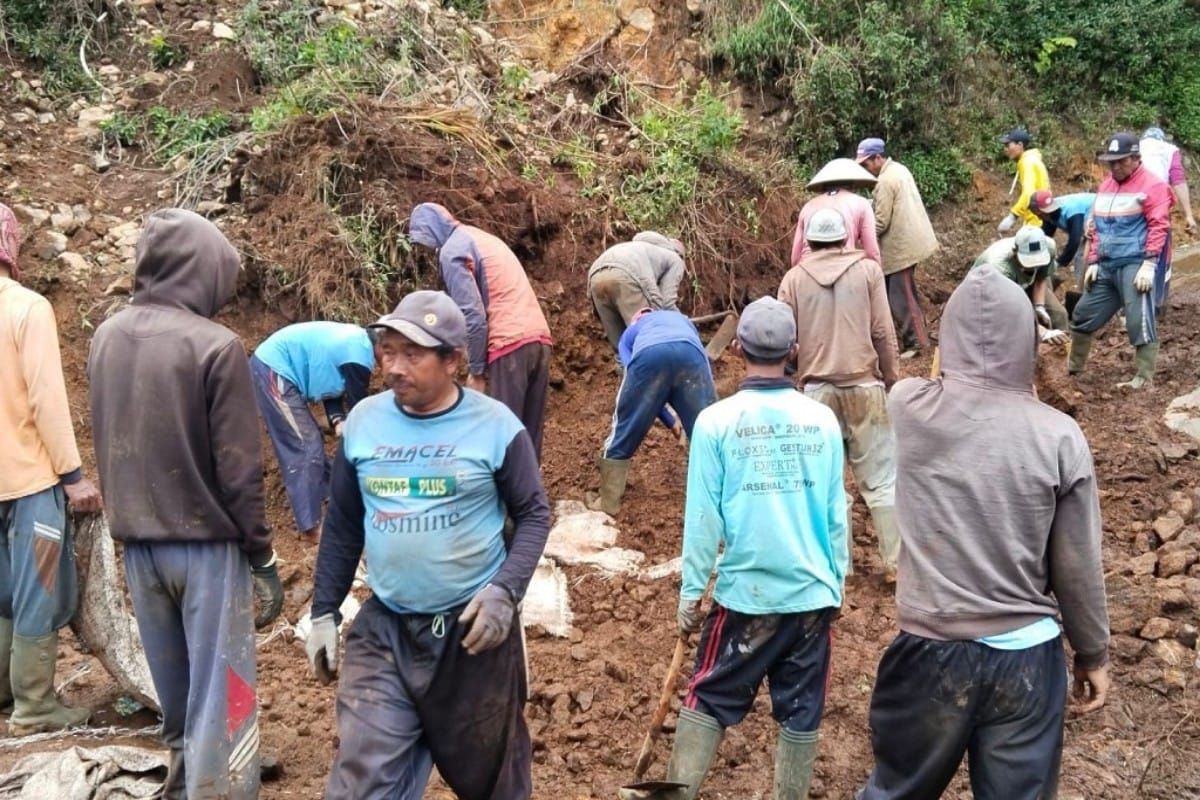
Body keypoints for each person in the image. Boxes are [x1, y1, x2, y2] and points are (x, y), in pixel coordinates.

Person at [857, 265, 1110, 800]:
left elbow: (921, 377)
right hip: (1028, 661)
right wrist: (1092, 653)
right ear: (1030, 340)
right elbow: (1077, 563)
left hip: (930, 651)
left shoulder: (910, 407)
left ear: (948, 340)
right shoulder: (1061, 436)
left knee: (896, 791)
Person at [306, 290, 551, 800]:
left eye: (411, 355)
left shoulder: (497, 428)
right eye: (388, 352)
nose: (394, 367)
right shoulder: (365, 425)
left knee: (494, 782)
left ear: (453, 361)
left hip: (470, 637)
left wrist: (505, 592)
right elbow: (345, 524)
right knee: (362, 777)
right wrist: (324, 611)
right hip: (387, 631)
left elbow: (533, 515)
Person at [88, 209, 284, 799]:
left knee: (176, 691)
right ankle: (220, 788)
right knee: (220, 692)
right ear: (203, 273)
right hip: (206, 550)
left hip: (139, 550)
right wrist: (262, 556)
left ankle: (180, 783)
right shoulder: (216, 346)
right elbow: (239, 471)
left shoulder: (106, 337)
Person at [656, 297, 847, 800]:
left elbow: (702, 521)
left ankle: (676, 793)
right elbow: (835, 513)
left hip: (747, 598)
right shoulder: (821, 420)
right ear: (795, 351)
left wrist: (690, 597)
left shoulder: (716, 423)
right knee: (802, 708)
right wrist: (837, 582)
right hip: (811, 595)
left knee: (706, 694)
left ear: (737, 347)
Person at [0, 202, 102, 735]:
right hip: (31, 481)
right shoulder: (27, 308)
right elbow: (45, 399)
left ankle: (3, 692)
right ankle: (35, 705)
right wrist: (72, 474)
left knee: (1, 592)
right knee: (38, 585)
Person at [779, 208, 901, 581]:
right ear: (847, 238)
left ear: (810, 242)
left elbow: (785, 340)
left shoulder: (794, 278)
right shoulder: (868, 271)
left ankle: (839, 566)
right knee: (881, 481)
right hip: (865, 385)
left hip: (816, 394)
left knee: (829, 482)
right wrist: (892, 378)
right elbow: (882, 330)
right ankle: (895, 564)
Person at [408, 202, 554, 460]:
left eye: (426, 242)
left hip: (508, 344)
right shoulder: (480, 237)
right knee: (527, 437)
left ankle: (497, 500)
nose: (429, 250)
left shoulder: (452, 250)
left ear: (432, 231)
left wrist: (476, 371)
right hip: (539, 338)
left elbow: (473, 316)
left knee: (500, 437)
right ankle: (530, 499)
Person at [1070, 132, 1174, 389]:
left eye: (1121, 161)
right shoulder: (1106, 186)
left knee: (1138, 318)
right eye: (1111, 162)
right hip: (1106, 263)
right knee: (1083, 313)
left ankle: (1143, 376)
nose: (1115, 167)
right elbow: (1096, 226)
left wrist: (1149, 263)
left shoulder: (1153, 185)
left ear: (1136, 158)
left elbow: (1159, 226)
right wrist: (1093, 260)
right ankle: (1073, 369)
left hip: (1134, 263)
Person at [250, 321, 375, 537]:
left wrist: (338, 420)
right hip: (274, 368)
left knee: (311, 440)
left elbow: (332, 384)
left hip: (276, 363)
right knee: (305, 444)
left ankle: (335, 502)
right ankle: (312, 527)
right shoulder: (361, 354)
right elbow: (360, 411)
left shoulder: (353, 343)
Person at [594, 308, 716, 516]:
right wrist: (672, 420)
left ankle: (608, 502)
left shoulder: (630, 334)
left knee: (625, 427)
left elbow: (642, 388)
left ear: (636, 320)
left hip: (650, 354)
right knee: (709, 429)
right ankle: (715, 500)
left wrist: (666, 416)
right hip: (691, 353)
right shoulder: (683, 320)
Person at [856, 138, 939, 357]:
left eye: (866, 164)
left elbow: (880, 222)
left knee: (902, 297)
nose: (865, 169)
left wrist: (860, 240)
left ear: (877, 158)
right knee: (903, 293)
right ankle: (913, 338)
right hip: (909, 241)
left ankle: (917, 343)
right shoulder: (899, 170)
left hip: (901, 247)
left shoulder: (885, 181)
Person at [587, 232, 686, 351]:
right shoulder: (674, 258)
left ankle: (626, 368)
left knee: (621, 348)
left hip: (594, 276)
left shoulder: (637, 248)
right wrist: (685, 325)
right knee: (647, 340)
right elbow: (667, 303)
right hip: (627, 276)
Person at [971, 225, 1070, 340]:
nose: (1034, 267)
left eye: (1037, 262)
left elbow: (1040, 278)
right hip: (988, 293)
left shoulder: (1049, 248)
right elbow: (1007, 311)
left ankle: (1064, 351)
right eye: (1029, 262)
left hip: (1025, 283)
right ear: (1015, 252)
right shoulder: (998, 266)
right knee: (1009, 331)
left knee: (1058, 315)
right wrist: (1041, 331)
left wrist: (1039, 307)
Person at [1140, 127, 1197, 314]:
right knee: (1161, 253)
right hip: (1158, 203)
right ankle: (1157, 303)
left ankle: (1130, 305)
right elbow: (1178, 180)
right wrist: (1188, 215)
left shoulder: (1135, 147)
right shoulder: (1169, 149)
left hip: (1131, 205)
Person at [791, 158, 881, 266]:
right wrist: (876, 275)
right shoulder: (861, 204)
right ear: (852, 185)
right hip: (843, 268)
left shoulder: (808, 207)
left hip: (808, 267)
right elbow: (872, 252)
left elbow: (795, 258)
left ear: (824, 185)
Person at [1031, 189, 1095, 286]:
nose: (1039, 216)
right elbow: (1044, 237)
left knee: (1082, 257)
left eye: (1040, 213)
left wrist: (1059, 263)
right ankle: (1084, 289)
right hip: (1090, 221)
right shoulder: (1051, 212)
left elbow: (1074, 240)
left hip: (1101, 213)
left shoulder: (1071, 210)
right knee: (1081, 257)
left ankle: (1086, 290)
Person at [997, 128, 1050, 232]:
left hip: (1036, 222)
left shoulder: (1027, 162)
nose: (1006, 149)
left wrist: (1012, 216)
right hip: (1042, 218)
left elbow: (1029, 193)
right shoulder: (1033, 159)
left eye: (1008, 145)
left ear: (1020, 145)